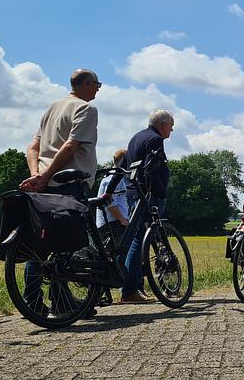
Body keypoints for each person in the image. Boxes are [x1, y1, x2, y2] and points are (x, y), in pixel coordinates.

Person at [19, 67, 102, 317]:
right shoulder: (86, 109)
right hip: (69, 182)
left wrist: (36, 175)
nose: (98, 89)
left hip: (44, 186)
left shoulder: (52, 108)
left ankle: (34, 301)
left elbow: (32, 147)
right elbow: (70, 146)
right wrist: (45, 176)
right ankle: (61, 301)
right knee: (68, 242)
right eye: (97, 84)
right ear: (86, 84)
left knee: (42, 244)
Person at [107, 109, 175, 303]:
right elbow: (151, 169)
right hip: (148, 196)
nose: (172, 130)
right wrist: (159, 192)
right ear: (163, 125)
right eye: (171, 126)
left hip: (132, 193)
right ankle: (129, 290)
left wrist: (109, 190)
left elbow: (122, 166)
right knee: (140, 241)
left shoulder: (136, 138)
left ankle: (134, 287)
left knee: (136, 238)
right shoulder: (155, 139)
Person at [96, 149, 130, 243]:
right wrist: (122, 220)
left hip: (113, 222)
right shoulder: (112, 179)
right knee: (121, 250)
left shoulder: (113, 177)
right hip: (113, 224)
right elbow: (110, 202)